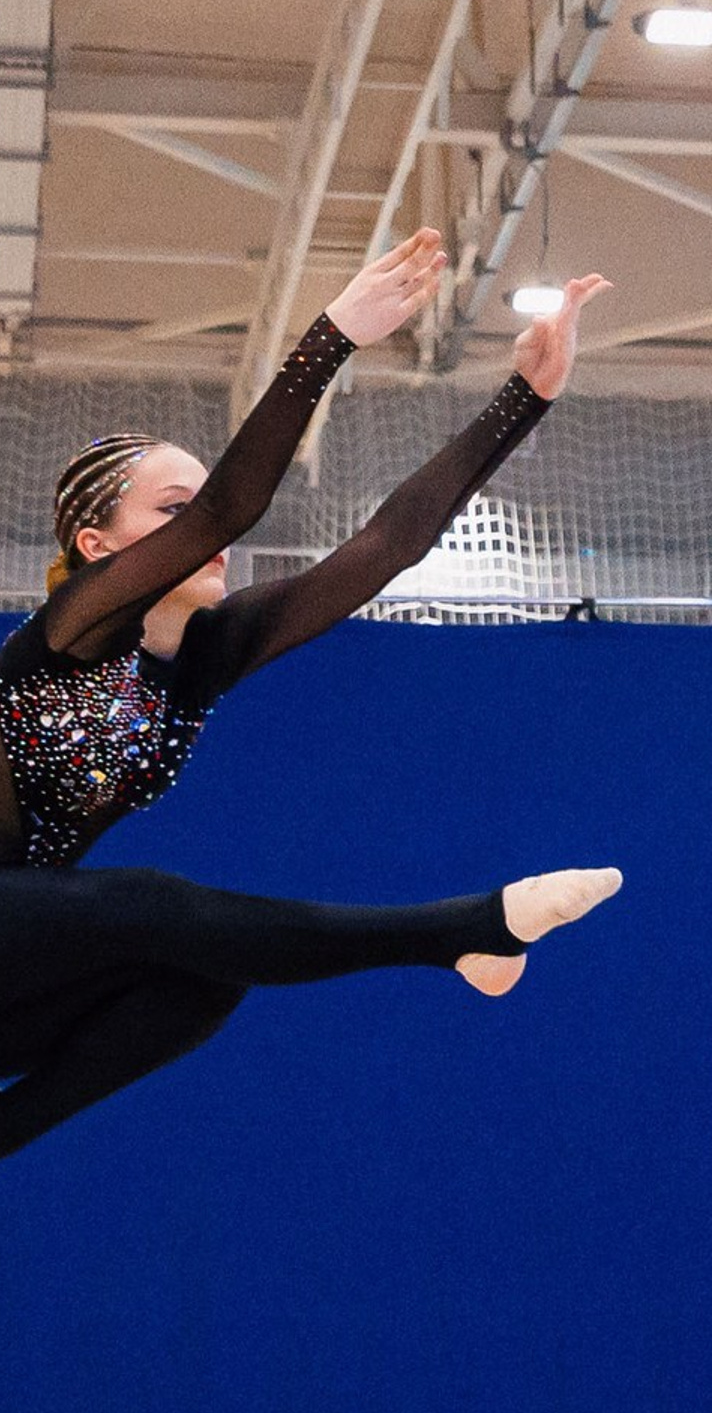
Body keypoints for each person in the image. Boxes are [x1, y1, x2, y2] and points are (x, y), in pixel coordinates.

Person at [0, 237, 620, 1162]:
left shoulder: (202, 656)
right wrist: (330, 339)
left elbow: (385, 546)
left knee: (205, 975)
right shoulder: (71, 630)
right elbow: (231, 509)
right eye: (172, 511)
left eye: (196, 507)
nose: (205, 530)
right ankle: (459, 931)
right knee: (156, 904)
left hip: (21, 939)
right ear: (98, 550)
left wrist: (523, 397)